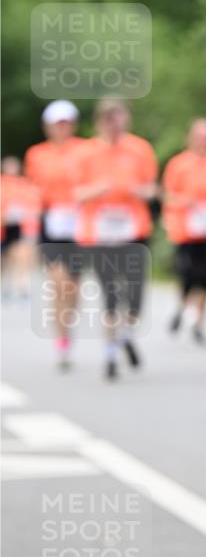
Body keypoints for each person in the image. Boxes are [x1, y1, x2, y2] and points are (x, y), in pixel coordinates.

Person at [74, 98, 158, 381]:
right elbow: (76, 194)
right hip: (100, 232)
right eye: (108, 118)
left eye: (119, 117)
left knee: (134, 294)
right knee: (110, 293)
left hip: (133, 230)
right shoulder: (86, 152)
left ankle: (127, 333)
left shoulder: (140, 149)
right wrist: (97, 190)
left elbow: (151, 188)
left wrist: (139, 192)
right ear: (99, 122)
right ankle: (110, 354)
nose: (114, 124)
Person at [24, 100, 87, 370]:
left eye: (67, 124)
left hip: (80, 223)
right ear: (47, 127)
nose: (62, 129)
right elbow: (32, 189)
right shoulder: (36, 154)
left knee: (73, 286)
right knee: (58, 282)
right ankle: (61, 339)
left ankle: (67, 330)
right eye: (57, 124)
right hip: (51, 223)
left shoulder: (85, 150)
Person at [162, 118, 206, 345]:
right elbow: (167, 194)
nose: (203, 141)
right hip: (186, 229)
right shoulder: (179, 164)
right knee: (187, 274)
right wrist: (185, 202)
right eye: (199, 136)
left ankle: (198, 324)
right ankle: (183, 306)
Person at [0, 156, 40, 301]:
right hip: (2, 226)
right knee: (4, 258)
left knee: (21, 254)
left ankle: (22, 284)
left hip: (18, 224)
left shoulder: (24, 184)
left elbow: (33, 203)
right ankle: (6, 282)